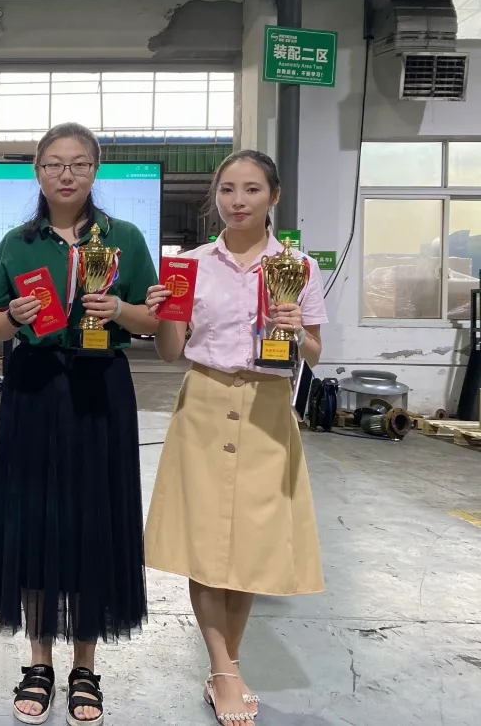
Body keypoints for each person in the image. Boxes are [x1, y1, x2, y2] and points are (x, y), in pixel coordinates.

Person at [0, 122, 160, 726]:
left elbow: (154, 322)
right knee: (34, 519)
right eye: (54, 164)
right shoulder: (17, 242)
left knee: (92, 520)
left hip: (100, 387)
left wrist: (120, 308)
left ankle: (85, 666)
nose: (66, 174)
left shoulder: (124, 237)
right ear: (38, 172)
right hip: (34, 387)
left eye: (78, 163)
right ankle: (38, 661)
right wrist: (14, 316)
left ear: (95, 169)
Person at [142, 149, 327, 726]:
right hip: (203, 402)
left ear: (274, 196)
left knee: (248, 542)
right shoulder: (190, 265)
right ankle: (224, 669)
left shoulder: (298, 267)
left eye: (251, 190)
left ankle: (228, 664)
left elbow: (315, 353)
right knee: (203, 542)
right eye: (227, 190)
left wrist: (295, 331)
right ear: (215, 196)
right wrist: (163, 314)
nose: (237, 201)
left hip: (267, 409)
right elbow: (170, 352)